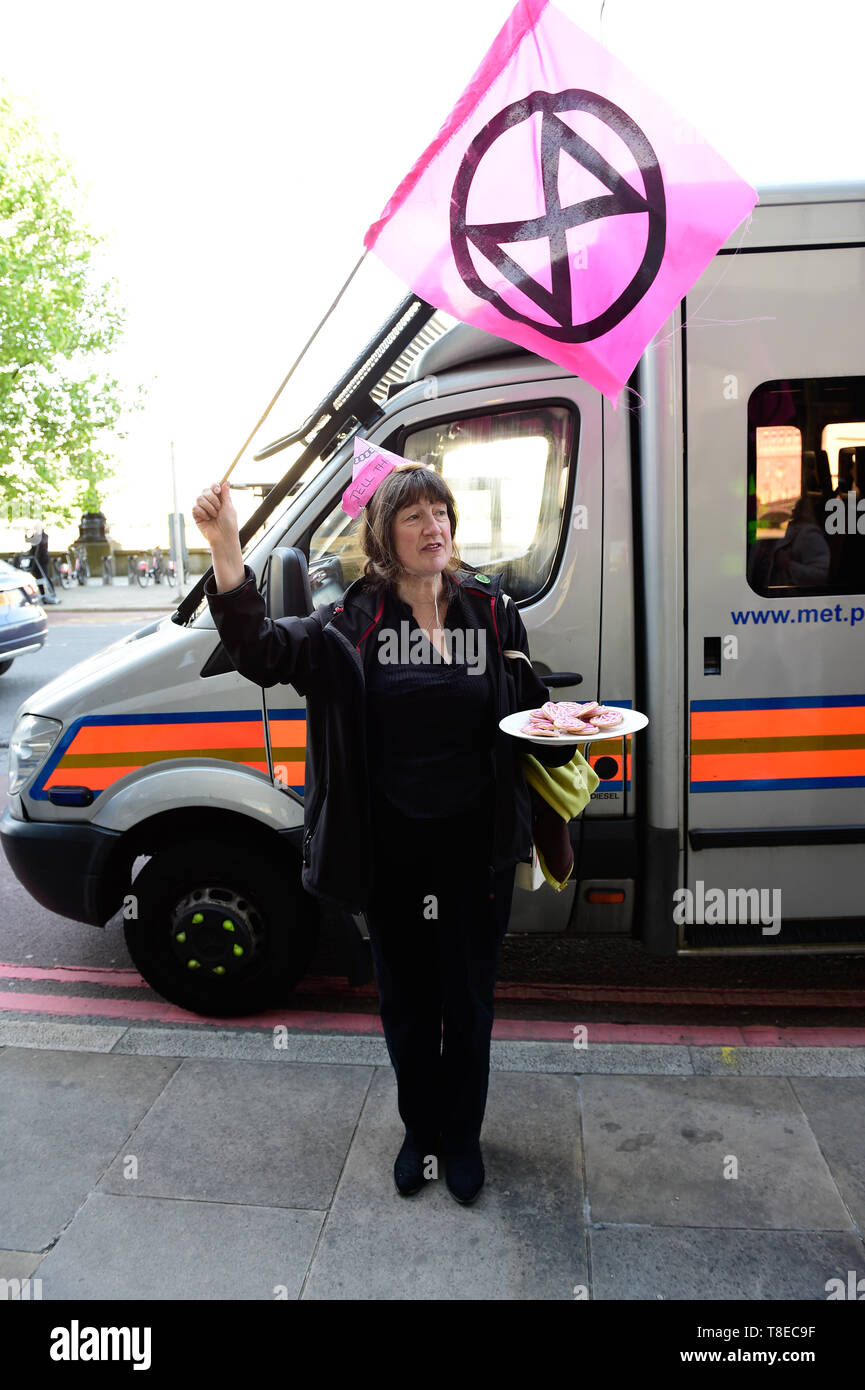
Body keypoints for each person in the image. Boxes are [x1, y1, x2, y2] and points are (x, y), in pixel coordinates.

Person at [192, 463, 574, 1205]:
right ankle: (418, 1130)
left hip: (475, 851)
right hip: (391, 854)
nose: (435, 528)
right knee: (405, 1001)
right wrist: (225, 549)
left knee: (467, 1000)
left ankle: (461, 1137)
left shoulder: (492, 613)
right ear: (384, 536)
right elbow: (261, 652)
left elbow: (528, 710)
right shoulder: (349, 622)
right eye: (415, 517)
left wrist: (569, 736)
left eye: (442, 514)